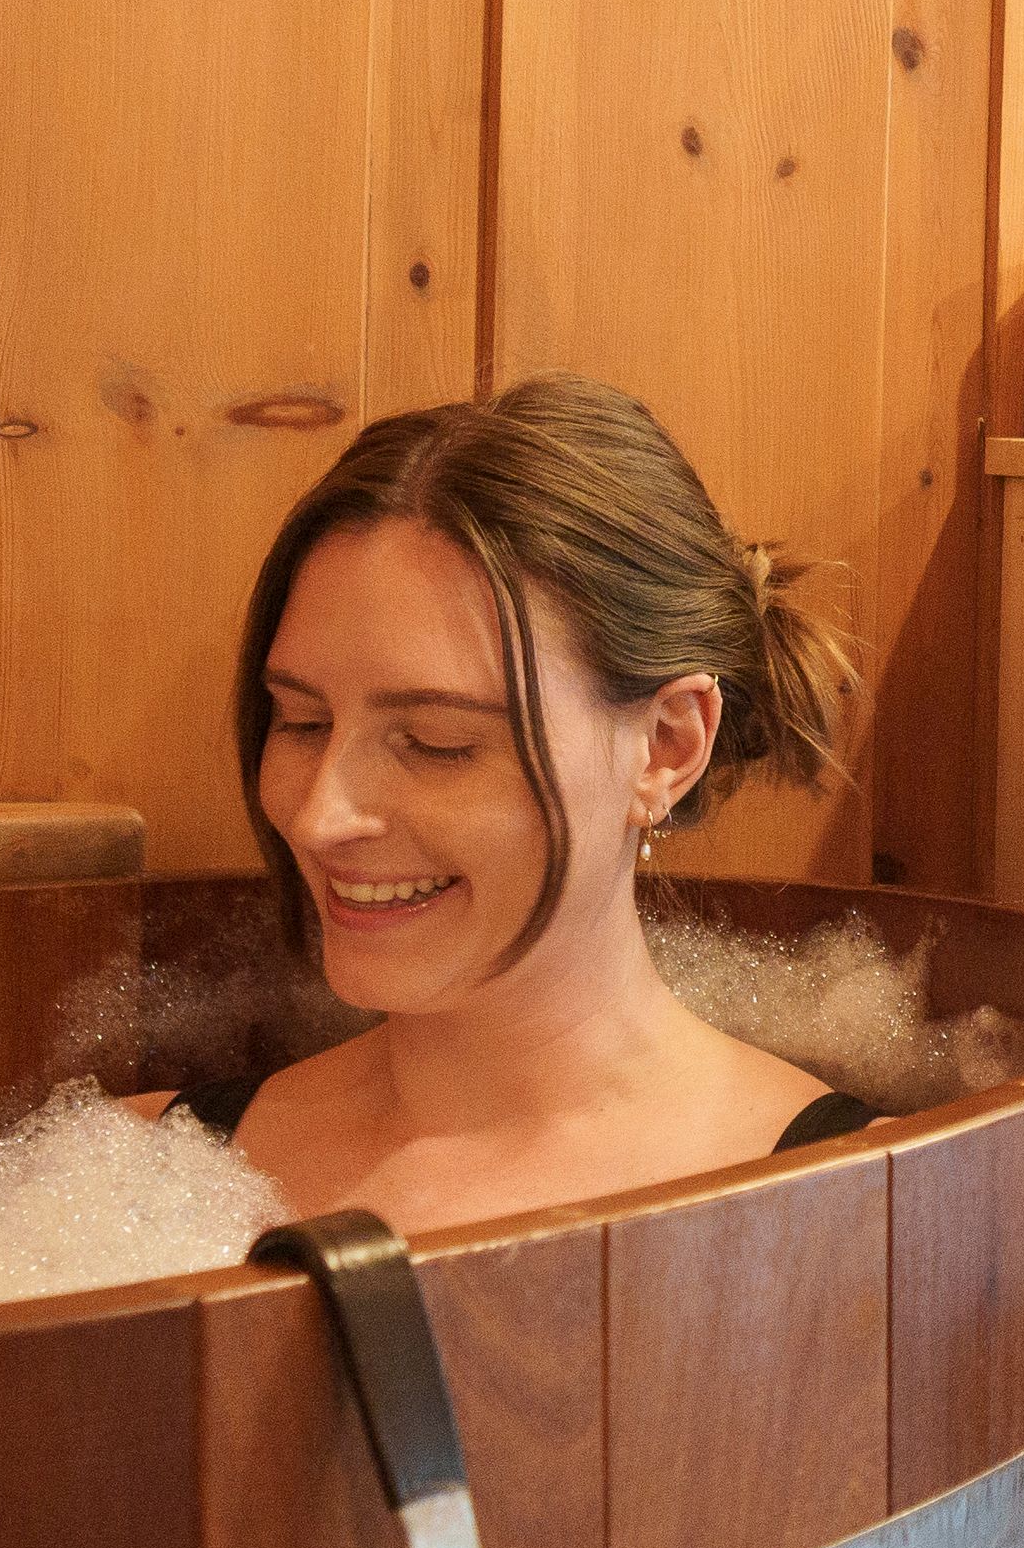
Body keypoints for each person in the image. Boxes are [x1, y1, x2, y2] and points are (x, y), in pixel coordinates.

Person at [197, 379, 875, 1234]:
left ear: (667, 746)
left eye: (437, 742)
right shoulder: (156, 1171)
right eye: (302, 722)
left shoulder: (861, 1204)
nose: (318, 817)